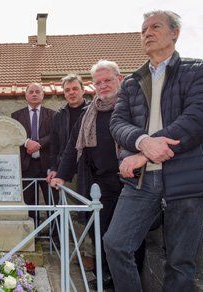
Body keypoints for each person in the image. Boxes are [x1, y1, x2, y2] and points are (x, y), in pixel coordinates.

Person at [104, 10, 203, 292]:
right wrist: (142, 142)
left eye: (155, 27)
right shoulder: (131, 82)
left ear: (174, 33)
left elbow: (198, 119)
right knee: (115, 244)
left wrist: (144, 152)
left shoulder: (201, 69)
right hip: (142, 181)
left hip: (186, 176)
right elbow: (117, 123)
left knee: (180, 262)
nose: (147, 34)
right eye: (143, 31)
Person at [51, 60, 145, 290]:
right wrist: (62, 175)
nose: (103, 86)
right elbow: (73, 146)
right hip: (99, 183)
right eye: (98, 82)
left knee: (128, 237)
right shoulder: (88, 113)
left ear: (119, 79)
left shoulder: (134, 107)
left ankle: (129, 281)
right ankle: (106, 277)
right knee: (100, 233)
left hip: (131, 182)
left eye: (108, 80)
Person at [45, 74, 95, 270]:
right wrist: (54, 169)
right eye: (67, 90)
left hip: (90, 170)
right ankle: (79, 251)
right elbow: (54, 146)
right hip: (68, 173)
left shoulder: (93, 110)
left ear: (83, 90)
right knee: (73, 213)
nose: (71, 93)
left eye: (75, 88)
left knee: (91, 212)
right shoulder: (59, 115)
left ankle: (90, 254)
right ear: (63, 93)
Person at [11, 83, 57, 228]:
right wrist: (26, 143)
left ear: (43, 95)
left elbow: (55, 135)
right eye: (31, 92)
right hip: (27, 165)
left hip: (47, 166)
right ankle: (32, 235)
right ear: (26, 96)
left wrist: (39, 143)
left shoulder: (53, 115)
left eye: (38, 92)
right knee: (29, 203)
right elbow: (14, 136)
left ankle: (55, 236)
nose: (34, 94)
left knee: (52, 202)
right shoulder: (16, 116)